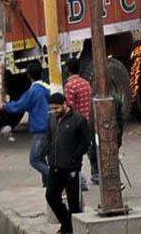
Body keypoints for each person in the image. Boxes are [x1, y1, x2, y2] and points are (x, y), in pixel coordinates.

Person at [0, 61, 51, 186]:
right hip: (49, 127)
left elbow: (19, 106)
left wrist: (4, 106)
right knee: (42, 157)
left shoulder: (33, 91)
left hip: (40, 129)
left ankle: (54, 178)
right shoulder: (47, 88)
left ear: (29, 76)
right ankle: (47, 184)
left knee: (35, 160)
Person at [45, 93, 91, 234]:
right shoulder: (52, 119)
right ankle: (66, 224)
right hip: (55, 166)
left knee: (74, 203)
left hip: (71, 168)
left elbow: (85, 143)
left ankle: (72, 229)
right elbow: (49, 138)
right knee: (51, 196)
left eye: (57, 108)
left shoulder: (78, 120)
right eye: (52, 109)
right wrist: (49, 155)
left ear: (65, 104)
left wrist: (75, 159)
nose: (55, 111)